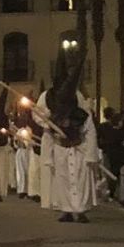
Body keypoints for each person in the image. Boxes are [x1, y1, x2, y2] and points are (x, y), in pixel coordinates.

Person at [39, 51, 99, 223]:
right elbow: (42, 121)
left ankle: (80, 210)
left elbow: (89, 129)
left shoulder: (78, 104)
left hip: (77, 145)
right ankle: (66, 209)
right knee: (63, 178)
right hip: (61, 146)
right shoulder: (47, 97)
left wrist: (90, 154)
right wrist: (51, 127)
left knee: (80, 178)